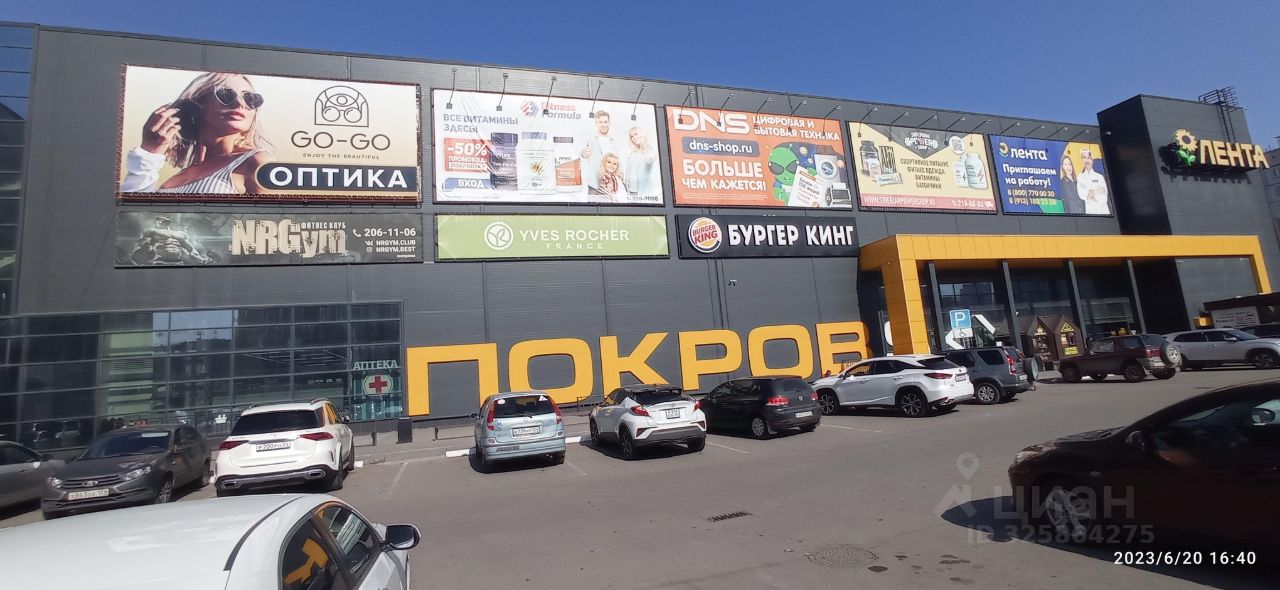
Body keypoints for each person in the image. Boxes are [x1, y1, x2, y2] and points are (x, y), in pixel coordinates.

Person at [120, 72, 272, 194]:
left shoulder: (256, 161)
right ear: (199, 103)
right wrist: (149, 153)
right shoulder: (181, 174)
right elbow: (134, 217)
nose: (240, 104)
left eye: (250, 99)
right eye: (226, 95)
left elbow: (271, 219)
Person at [131, 215, 211, 265]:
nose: (165, 218)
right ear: (157, 221)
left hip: (178, 262)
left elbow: (190, 249)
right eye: (161, 218)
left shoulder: (179, 234)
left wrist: (201, 259)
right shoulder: (152, 231)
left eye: (166, 217)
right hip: (160, 262)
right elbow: (139, 245)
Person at [580, 110, 622, 194]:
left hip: (610, 185)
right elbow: (582, 154)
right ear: (596, 123)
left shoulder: (614, 141)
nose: (603, 125)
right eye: (600, 122)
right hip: (594, 185)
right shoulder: (590, 139)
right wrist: (583, 154)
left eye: (605, 122)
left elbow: (618, 161)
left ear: (609, 123)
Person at [623, 126, 659, 198]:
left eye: (635, 134)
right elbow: (628, 173)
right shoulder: (632, 154)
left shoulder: (650, 151)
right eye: (631, 136)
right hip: (630, 191)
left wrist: (644, 147)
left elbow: (650, 161)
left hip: (644, 192)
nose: (634, 138)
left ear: (641, 134)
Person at [1076, 147, 1110, 215]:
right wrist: (1097, 191)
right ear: (1082, 160)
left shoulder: (1100, 177)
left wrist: (1091, 193)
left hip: (1104, 212)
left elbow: (1104, 196)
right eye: (1084, 158)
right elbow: (1082, 194)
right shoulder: (1080, 177)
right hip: (1091, 213)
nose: (1087, 160)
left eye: (1088, 158)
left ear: (1092, 160)